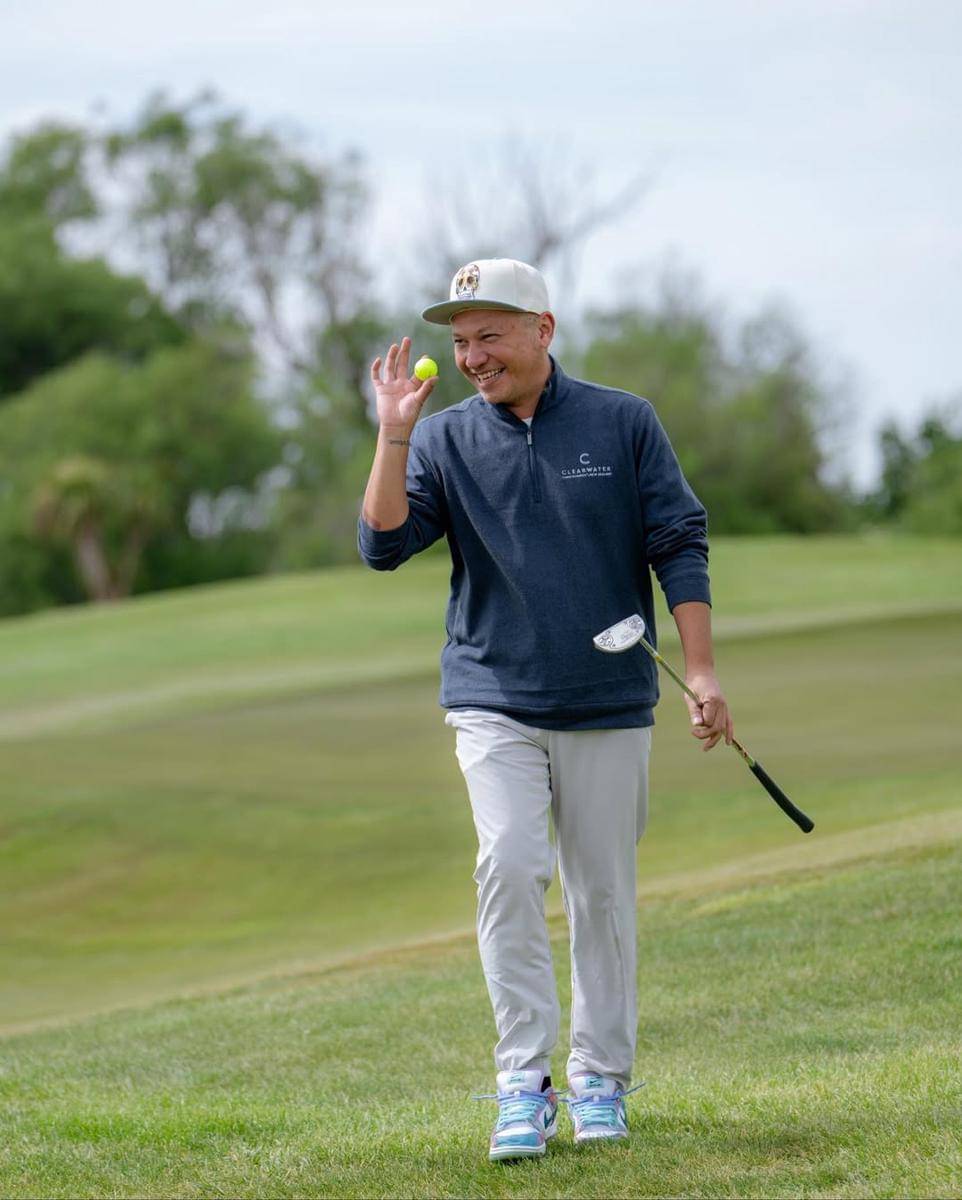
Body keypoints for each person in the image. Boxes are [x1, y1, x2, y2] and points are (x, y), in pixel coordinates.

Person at [357, 258, 733, 1162]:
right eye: (459, 343)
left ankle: (601, 1079)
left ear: (543, 329)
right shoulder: (442, 438)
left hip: (607, 697)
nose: (473, 357)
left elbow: (678, 542)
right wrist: (392, 437)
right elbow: (381, 546)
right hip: (493, 696)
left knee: (601, 893)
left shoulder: (622, 420)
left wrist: (705, 672)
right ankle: (523, 1086)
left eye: (490, 335)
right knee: (510, 865)